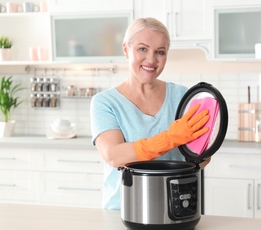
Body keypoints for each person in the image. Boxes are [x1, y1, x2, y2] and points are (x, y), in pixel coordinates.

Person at [90, 17, 210, 210]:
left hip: (178, 207)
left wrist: (204, 145)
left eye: (160, 52)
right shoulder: (105, 102)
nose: (152, 60)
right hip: (124, 210)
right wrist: (171, 138)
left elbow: (199, 162)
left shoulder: (182, 96)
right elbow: (114, 156)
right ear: (126, 49)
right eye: (142, 49)